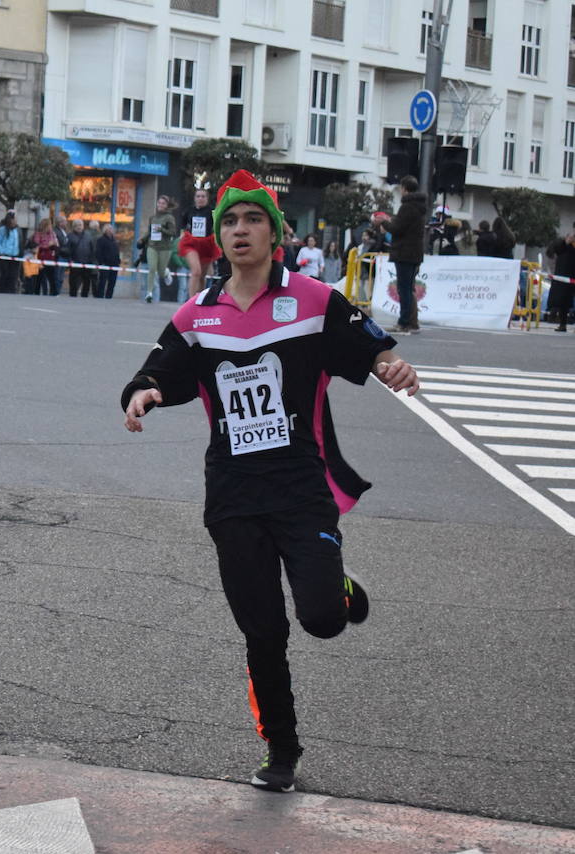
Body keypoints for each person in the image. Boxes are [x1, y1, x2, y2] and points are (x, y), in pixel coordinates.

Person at [121, 169, 420, 794]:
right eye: (229, 221)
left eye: (252, 219)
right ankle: (281, 752)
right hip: (232, 492)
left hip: (299, 485)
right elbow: (162, 369)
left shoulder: (312, 300)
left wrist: (389, 365)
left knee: (321, 620)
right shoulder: (198, 313)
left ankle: (334, 586)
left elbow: (367, 349)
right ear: (218, 235)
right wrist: (145, 393)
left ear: (275, 232)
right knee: (263, 630)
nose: (239, 230)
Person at [372, 175, 426, 334]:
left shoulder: (407, 207)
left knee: (403, 289)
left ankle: (403, 322)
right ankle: (413, 322)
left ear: (404, 188)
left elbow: (397, 229)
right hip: (415, 252)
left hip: (404, 252)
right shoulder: (420, 207)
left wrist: (383, 221)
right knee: (409, 288)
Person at [178, 186, 218, 294]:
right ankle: (190, 302)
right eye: (198, 196)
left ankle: (199, 300)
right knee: (196, 271)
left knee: (202, 276)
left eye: (203, 196)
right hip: (191, 243)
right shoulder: (188, 211)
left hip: (206, 244)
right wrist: (182, 234)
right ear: (195, 198)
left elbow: (217, 227)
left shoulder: (212, 212)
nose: (200, 198)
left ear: (207, 199)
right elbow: (182, 225)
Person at [141, 195, 177, 303]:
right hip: (152, 246)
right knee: (152, 268)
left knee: (160, 272)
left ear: (167, 206)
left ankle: (166, 273)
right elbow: (149, 231)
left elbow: (173, 232)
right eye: (159, 203)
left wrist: (162, 229)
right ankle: (149, 293)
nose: (160, 205)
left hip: (165, 248)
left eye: (163, 203)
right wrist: (142, 239)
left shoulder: (169, 217)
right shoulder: (153, 218)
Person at [547, 226, 575, 332]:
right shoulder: (566, 242)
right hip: (565, 276)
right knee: (563, 301)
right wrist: (566, 242)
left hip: (570, 275)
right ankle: (562, 324)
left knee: (565, 300)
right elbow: (556, 249)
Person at [30, 217, 59, 296]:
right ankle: (36, 292)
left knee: (52, 277)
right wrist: (47, 245)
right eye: (49, 225)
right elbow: (37, 246)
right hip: (41, 258)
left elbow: (55, 244)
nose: (50, 227)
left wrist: (55, 244)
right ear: (45, 226)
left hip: (50, 258)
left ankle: (54, 293)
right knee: (39, 277)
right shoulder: (38, 234)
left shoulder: (52, 233)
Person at [69, 220, 98, 298]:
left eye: (80, 225)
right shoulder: (70, 236)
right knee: (74, 282)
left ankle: (84, 296)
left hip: (87, 263)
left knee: (86, 282)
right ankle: (73, 296)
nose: (79, 227)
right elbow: (67, 249)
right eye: (77, 225)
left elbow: (92, 249)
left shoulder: (88, 236)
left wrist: (92, 260)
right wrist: (70, 260)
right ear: (74, 227)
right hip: (75, 263)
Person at [95, 223, 121, 298]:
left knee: (112, 282)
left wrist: (118, 261)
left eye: (112, 229)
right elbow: (98, 252)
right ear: (105, 230)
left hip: (114, 265)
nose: (111, 231)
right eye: (109, 229)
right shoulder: (101, 240)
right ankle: (100, 296)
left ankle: (109, 296)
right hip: (105, 265)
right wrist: (101, 262)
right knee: (102, 282)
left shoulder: (114, 241)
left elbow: (117, 251)